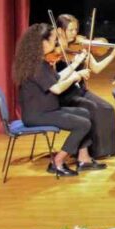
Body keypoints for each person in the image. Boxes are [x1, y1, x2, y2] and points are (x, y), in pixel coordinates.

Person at [12, 23, 99, 177]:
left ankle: (83, 157)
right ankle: (57, 162)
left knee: (85, 113)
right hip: (37, 115)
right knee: (83, 124)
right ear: (43, 43)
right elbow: (56, 89)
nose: (56, 42)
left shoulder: (40, 62)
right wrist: (75, 77)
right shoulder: (36, 66)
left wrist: (76, 64)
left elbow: (57, 78)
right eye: (53, 40)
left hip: (47, 110)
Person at [53, 14, 115, 159]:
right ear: (59, 30)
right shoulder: (55, 50)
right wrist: (75, 69)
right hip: (65, 95)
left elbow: (96, 68)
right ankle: (89, 151)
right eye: (70, 30)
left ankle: (105, 150)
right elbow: (55, 80)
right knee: (93, 109)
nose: (74, 33)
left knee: (107, 108)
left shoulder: (80, 48)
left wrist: (113, 54)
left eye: (76, 29)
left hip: (80, 91)